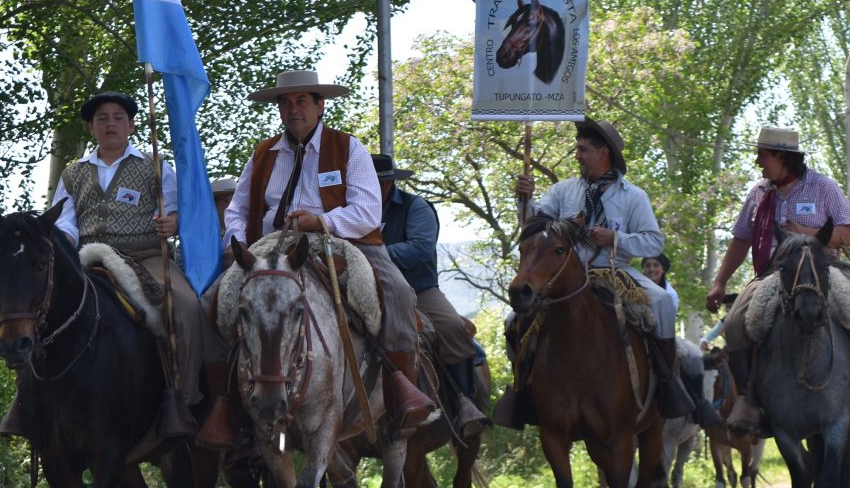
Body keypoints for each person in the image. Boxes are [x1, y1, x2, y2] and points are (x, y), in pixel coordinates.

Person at [196, 70, 433, 450]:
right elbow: (238, 210)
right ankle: (225, 406)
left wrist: (321, 220)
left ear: (320, 105)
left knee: (400, 294)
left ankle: (399, 393)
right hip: (272, 244)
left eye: (302, 101)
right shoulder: (263, 153)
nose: (293, 110)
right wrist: (238, 243)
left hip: (340, 240)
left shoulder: (347, 147)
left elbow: (367, 212)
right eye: (285, 103)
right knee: (210, 302)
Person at [0, 90, 203, 439]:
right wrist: (65, 240)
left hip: (146, 256)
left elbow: (179, 208)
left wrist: (173, 221)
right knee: (41, 311)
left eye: (118, 117)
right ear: (92, 127)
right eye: (102, 119)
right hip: (88, 258)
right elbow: (63, 219)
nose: (111, 124)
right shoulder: (73, 173)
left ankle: (183, 400)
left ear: (132, 125)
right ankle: (25, 402)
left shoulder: (155, 166)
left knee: (185, 307)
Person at [501, 117, 719, 429]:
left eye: (583, 149)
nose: (577, 155)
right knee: (513, 320)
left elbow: (654, 240)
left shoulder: (633, 196)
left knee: (661, 301)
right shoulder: (563, 191)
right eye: (577, 149)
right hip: (564, 277)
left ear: (604, 152)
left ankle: (669, 384)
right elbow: (534, 226)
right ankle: (522, 392)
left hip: (615, 270)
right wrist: (525, 198)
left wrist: (616, 238)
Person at [702, 126, 850, 434]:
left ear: (782, 157)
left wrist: (806, 234)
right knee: (734, 322)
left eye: (763, 155)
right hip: (775, 272)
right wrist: (720, 281)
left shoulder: (823, 187)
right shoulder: (758, 194)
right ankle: (749, 400)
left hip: (823, 265)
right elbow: (740, 240)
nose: (758, 162)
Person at [373, 153, 489, 437]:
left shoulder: (417, 207)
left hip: (418, 290)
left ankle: (464, 403)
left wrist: (376, 255)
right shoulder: (353, 208)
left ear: (389, 183)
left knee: (452, 328)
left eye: (378, 183)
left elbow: (421, 248)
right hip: (367, 288)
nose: (373, 189)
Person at [640, 253, 680, 331]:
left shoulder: (669, 294)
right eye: (648, 266)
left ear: (663, 269)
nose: (651, 269)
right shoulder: (635, 287)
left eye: (656, 265)